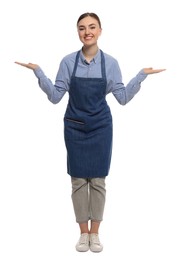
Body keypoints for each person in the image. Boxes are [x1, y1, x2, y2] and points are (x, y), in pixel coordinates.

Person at [15, 12, 165, 253]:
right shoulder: (67, 62)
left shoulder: (111, 64)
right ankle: (82, 234)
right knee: (77, 182)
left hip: (101, 128)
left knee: (97, 181)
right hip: (74, 126)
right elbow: (55, 97)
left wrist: (141, 77)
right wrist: (38, 72)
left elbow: (123, 98)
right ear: (78, 32)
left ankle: (95, 234)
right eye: (82, 28)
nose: (87, 32)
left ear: (100, 31)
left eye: (92, 27)